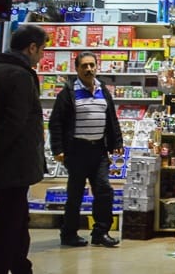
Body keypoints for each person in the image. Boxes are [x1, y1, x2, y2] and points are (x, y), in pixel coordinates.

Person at [0, 25, 48, 274]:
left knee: (17, 219)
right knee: (8, 222)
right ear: (31, 47)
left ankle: (21, 266)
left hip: (4, 162)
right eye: (42, 50)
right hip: (13, 164)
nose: (42, 55)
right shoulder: (21, 75)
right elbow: (15, 122)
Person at [49, 51, 123, 248]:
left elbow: (111, 119)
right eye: (85, 66)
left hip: (98, 150)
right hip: (76, 151)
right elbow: (55, 123)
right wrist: (57, 148)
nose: (89, 69)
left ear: (97, 67)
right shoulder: (68, 92)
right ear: (77, 69)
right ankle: (69, 233)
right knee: (75, 194)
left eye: (92, 65)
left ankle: (100, 232)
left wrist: (117, 143)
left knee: (104, 190)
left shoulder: (103, 90)